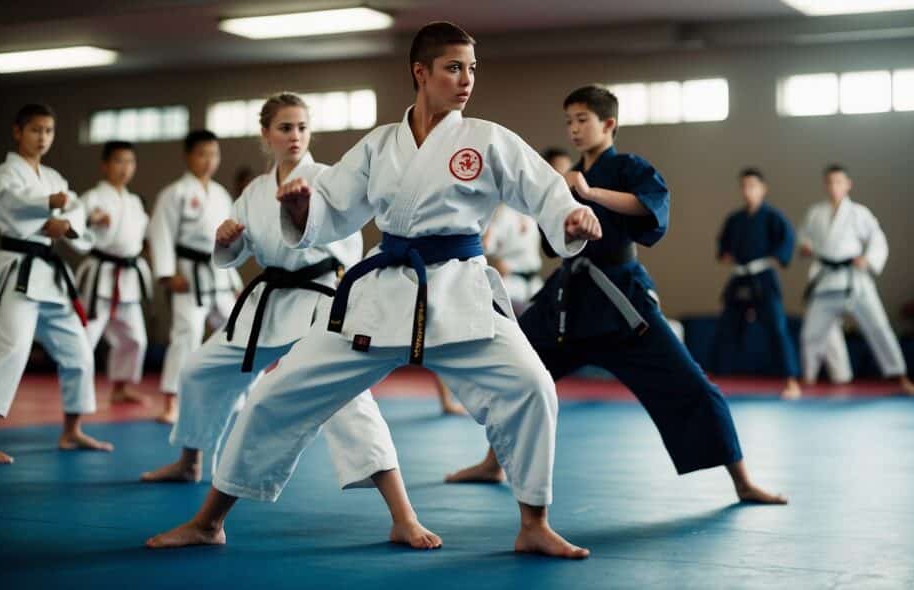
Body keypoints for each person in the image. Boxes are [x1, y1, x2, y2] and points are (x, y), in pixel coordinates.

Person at [145, 22, 601, 559]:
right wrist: (301, 211)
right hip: (384, 294)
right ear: (420, 72)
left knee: (531, 385)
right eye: (454, 67)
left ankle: (533, 523)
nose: (466, 80)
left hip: (457, 291)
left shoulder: (487, 139)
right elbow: (331, 208)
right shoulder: (379, 145)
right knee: (274, 394)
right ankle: (208, 521)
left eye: (472, 68)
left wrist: (570, 217)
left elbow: (543, 188)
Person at [446, 85, 787, 507]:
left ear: (608, 124)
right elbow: (551, 242)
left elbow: (651, 208)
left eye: (582, 120)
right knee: (520, 374)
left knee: (692, 387)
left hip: (622, 302)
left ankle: (742, 481)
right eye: (568, 121)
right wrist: (565, 214)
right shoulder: (564, 179)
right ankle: (493, 462)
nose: (573, 128)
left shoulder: (628, 168)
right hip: (568, 304)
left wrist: (589, 194)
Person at [140, 93, 439, 548]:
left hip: (321, 302)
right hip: (271, 301)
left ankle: (402, 515)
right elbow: (236, 251)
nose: (295, 135)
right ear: (266, 135)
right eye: (284, 128)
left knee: (350, 402)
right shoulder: (254, 192)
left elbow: (349, 237)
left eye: (301, 126)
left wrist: (304, 212)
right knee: (201, 367)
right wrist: (227, 240)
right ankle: (190, 460)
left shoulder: (328, 179)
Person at [0, 104, 112, 464]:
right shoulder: (6, 173)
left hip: (49, 275)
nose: (42, 137)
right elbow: (7, 205)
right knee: (14, 349)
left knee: (78, 349)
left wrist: (67, 225)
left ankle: (72, 430)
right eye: (35, 130)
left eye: (48, 131)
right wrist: (49, 205)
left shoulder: (54, 177)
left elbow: (74, 213)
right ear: (18, 132)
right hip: (18, 269)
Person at [798, 164, 914, 396]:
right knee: (811, 334)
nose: (834, 186)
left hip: (854, 280)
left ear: (848, 184)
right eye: (830, 182)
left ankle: (901, 377)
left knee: (879, 328)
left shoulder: (859, 212)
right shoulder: (815, 213)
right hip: (827, 280)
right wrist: (805, 246)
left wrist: (868, 259)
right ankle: (807, 379)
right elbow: (803, 237)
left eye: (839, 182)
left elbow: (878, 238)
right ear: (825, 185)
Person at [149, 130, 242, 423]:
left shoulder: (221, 194)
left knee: (236, 330)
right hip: (188, 275)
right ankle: (171, 402)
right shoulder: (174, 193)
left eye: (214, 154)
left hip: (219, 273)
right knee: (186, 334)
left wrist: (235, 281)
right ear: (188, 156)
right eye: (202, 154)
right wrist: (166, 274)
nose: (208, 160)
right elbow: (159, 234)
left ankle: (234, 393)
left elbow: (230, 240)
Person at [712, 168, 802, 399]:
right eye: (744, 186)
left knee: (776, 327)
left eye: (753, 185)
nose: (748, 190)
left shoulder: (773, 216)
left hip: (763, 277)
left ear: (763, 189)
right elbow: (723, 246)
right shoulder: (735, 219)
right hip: (740, 277)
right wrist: (724, 253)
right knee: (727, 327)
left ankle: (791, 381)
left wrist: (778, 256)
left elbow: (787, 239)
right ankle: (714, 381)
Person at [73, 141, 151, 405]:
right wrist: (88, 220)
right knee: (86, 339)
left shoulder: (134, 202)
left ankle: (120, 387)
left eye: (130, 162)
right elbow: (69, 226)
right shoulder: (92, 198)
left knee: (135, 339)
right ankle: (77, 397)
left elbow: (141, 239)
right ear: (105, 165)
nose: (125, 168)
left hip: (127, 277)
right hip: (100, 278)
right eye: (119, 161)